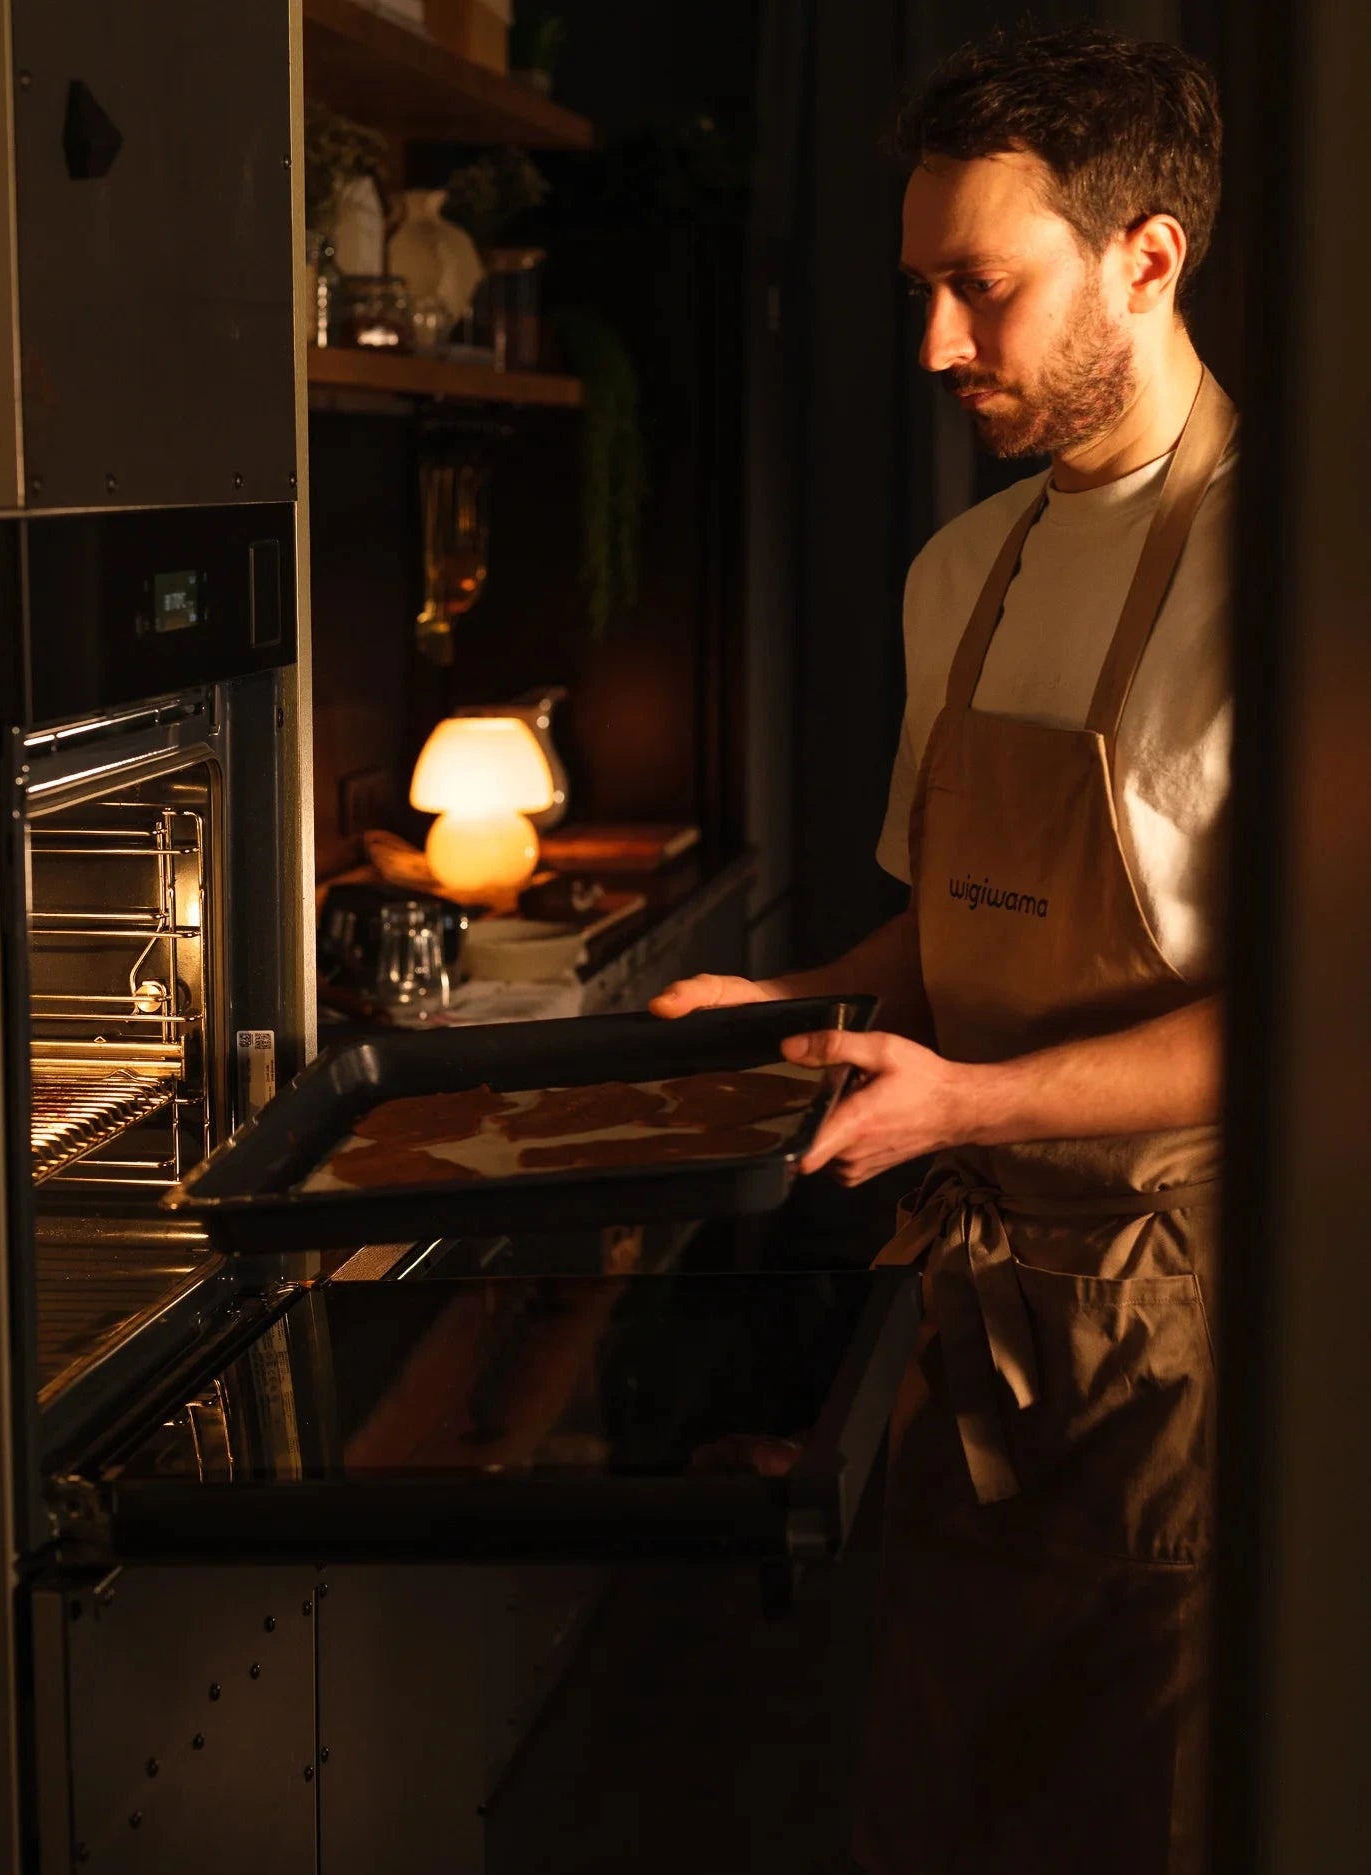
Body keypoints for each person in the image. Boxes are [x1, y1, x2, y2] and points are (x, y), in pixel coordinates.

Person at [652, 27, 1232, 1875]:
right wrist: (798, 1007)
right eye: (922, 292)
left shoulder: (1294, 570)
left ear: (1146, 257)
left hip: (1186, 1341)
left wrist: (970, 1097)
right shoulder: (957, 571)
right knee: (945, 1800)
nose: (934, 350)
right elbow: (949, 920)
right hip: (973, 1326)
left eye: (982, 289)